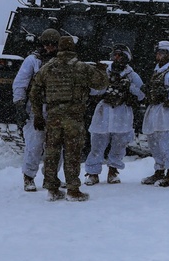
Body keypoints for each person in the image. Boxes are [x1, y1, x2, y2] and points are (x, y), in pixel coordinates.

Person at [28, 36, 109, 201]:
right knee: (72, 152)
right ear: (73, 49)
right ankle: (73, 189)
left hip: (53, 116)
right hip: (74, 116)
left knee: (51, 152)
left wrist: (37, 114)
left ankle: (52, 189)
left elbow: (34, 91)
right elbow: (100, 85)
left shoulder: (47, 68)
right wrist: (101, 70)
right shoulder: (82, 68)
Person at [85, 44, 145, 186]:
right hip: (103, 111)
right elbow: (93, 91)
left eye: (120, 55)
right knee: (97, 144)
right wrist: (104, 88)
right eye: (115, 55)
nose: (117, 58)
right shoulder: (104, 72)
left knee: (119, 144)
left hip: (122, 112)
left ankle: (113, 171)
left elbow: (142, 94)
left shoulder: (132, 75)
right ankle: (93, 173)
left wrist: (128, 87)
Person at [14, 28, 60, 191]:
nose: (49, 47)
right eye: (46, 43)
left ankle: (50, 176)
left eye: (53, 44)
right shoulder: (33, 60)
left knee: (56, 146)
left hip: (57, 108)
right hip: (36, 108)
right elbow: (20, 82)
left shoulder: (64, 61)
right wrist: (19, 104)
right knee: (34, 145)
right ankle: (28, 177)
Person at [140, 41, 169, 187]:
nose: (158, 55)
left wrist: (165, 93)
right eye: (157, 52)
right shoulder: (158, 69)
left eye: (161, 52)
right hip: (155, 109)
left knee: (166, 143)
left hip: (167, 113)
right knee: (154, 142)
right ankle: (159, 170)